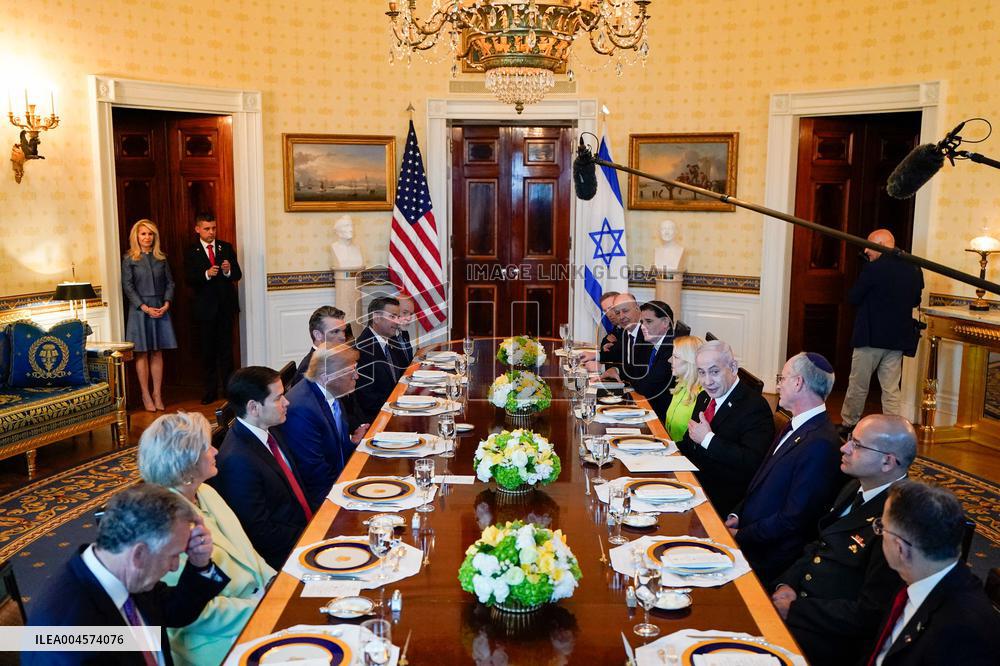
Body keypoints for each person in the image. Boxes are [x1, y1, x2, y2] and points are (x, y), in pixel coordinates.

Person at [26, 485, 228, 666]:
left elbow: (174, 611)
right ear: (138, 555)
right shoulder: (69, 638)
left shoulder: (123, 573)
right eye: (173, 555)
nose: (175, 566)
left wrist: (199, 564)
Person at [771, 414, 915, 666]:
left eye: (857, 445)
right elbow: (819, 544)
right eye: (850, 439)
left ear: (887, 462)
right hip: (798, 607)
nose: (844, 448)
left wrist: (796, 610)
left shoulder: (899, 521)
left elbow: (870, 614)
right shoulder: (855, 487)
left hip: (828, 640)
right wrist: (786, 584)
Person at [138, 412, 275, 666]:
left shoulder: (205, 491)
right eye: (207, 447)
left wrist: (275, 583)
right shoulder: (164, 523)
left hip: (257, 603)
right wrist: (261, 610)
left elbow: (247, 551)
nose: (215, 451)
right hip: (213, 638)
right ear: (186, 462)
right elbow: (193, 609)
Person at [724, 352, 844, 586]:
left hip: (768, 556)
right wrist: (737, 515)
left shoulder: (819, 442)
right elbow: (762, 482)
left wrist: (742, 536)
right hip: (751, 534)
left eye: (782, 378)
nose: (778, 385)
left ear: (798, 382)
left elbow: (794, 518)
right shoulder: (797, 424)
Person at [866, 481, 1000, 665]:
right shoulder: (916, 577)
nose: (879, 533)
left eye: (882, 528)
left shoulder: (961, 634)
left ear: (900, 549)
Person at [210, 366, 309, 570]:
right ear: (254, 407)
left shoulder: (269, 429)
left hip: (303, 528)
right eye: (278, 398)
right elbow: (262, 534)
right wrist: (314, 534)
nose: (286, 402)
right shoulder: (237, 461)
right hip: (285, 557)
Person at [676, 340, 775, 516]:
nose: (707, 381)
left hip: (722, 500)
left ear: (733, 368)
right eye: (701, 372)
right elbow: (688, 443)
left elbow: (751, 462)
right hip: (693, 485)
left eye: (714, 372)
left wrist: (707, 439)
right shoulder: (704, 398)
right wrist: (661, 451)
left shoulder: (754, 406)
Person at [840, 229, 923, 436]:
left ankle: (849, 424)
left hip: (870, 337)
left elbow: (854, 297)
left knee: (858, 385)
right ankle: (893, 430)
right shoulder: (913, 267)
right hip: (897, 338)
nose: (866, 250)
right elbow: (915, 300)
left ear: (883, 244)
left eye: (870, 245)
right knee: (891, 389)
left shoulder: (874, 269)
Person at [281, 345, 370, 509]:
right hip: (324, 501)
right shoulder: (302, 410)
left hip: (341, 482)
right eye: (351, 371)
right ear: (326, 376)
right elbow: (316, 475)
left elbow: (335, 450)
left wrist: (352, 443)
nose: (357, 376)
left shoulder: (330, 392)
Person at [183, 212, 243, 405]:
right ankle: (210, 391)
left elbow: (237, 274)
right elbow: (189, 278)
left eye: (213, 228)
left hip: (225, 308)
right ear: (198, 229)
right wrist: (206, 274)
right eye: (207, 229)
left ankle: (228, 389)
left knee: (226, 351)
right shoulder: (192, 251)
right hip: (205, 310)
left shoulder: (225, 247)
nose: (211, 232)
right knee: (208, 352)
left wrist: (227, 270)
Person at [121, 219, 177, 412]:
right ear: (136, 236)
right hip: (139, 310)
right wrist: (143, 307)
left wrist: (167, 303)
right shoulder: (129, 258)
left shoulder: (161, 258)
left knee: (157, 352)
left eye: (150, 234)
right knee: (142, 352)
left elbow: (170, 283)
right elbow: (127, 286)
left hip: (160, 308)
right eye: (143, 233)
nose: (147, 237)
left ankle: (157, 394)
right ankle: (145, 394)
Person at [605, 300, 675, 420]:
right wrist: (619, 371)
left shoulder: (671, 348)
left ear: (665, 322)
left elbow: (646, 387)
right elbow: (635, 371)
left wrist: (629, 376)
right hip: (648, 406)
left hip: (661, 415)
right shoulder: (654, 341)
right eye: (642, 322)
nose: (643, 327)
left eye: (649, 321)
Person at [354, 295, 408, 422]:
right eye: (392, 317)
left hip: (394, 410)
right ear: (376, 318)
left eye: (398, 317)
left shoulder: (390, 342)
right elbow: (367, 400)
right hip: (378, 420)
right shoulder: (363, 350)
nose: (397, 322)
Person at [290, 305, 348, 388]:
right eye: (335, 332)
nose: (343, 337)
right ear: (318, 335)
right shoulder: (309, 371)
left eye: (343, 331)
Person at [663, 335, 704, 441]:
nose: (669, 360)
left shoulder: (703, 396)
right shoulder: (681, 385)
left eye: (675, 357)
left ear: (690, 361)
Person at [393, 293, 415, 365]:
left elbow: (408, 363)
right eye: (404, 312)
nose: (409, 318)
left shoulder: (405, 334)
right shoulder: (386, 338)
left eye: (411, 314)